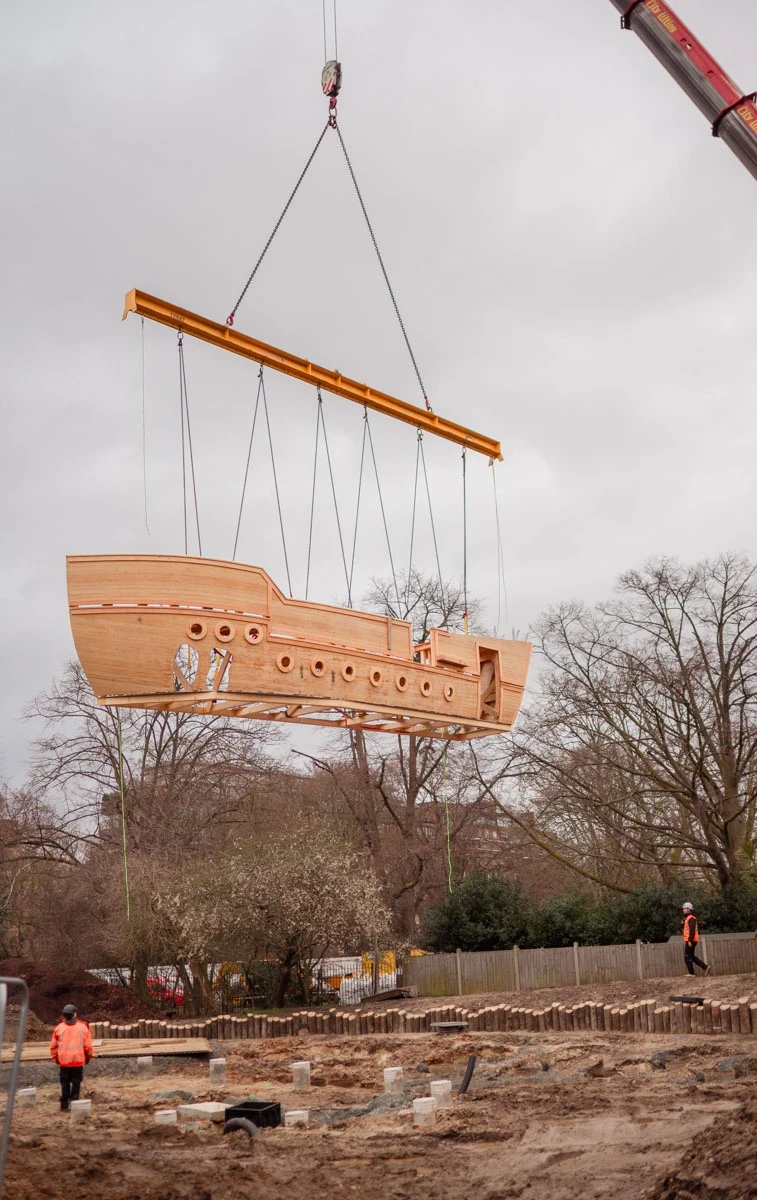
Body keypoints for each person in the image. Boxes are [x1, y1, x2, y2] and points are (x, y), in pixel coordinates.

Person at [49, 1004, 94, 1111]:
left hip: (64, 1062)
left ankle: (64, 1104)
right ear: (74, 1014)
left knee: (64, 1084)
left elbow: (53, 1046)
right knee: (76, 1082)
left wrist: (56, 1058)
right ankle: (75, 1104)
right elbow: (87, 1045)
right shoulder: (82, 1027)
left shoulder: (58, 1028)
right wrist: (88, 1057)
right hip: (77, 1061)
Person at [682, 901, 710, 976]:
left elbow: (692, 930)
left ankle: (691, 973)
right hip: (691, 940)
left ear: (688, 909)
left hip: (691, 940)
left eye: (684, 908)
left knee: (687, 956)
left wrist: (690, 940)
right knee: (691, 956)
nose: (683, 910)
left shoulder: (691, 918)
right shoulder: (690, 918)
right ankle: (705, 967)